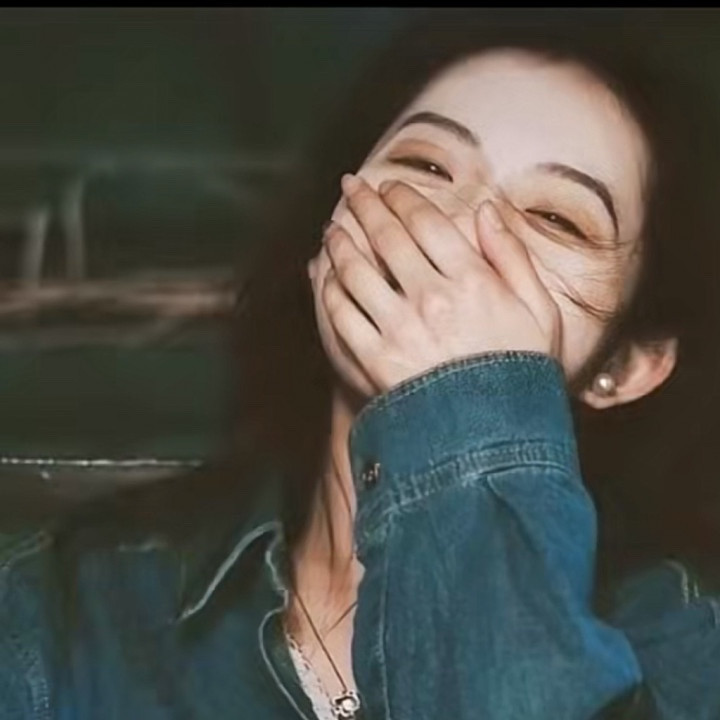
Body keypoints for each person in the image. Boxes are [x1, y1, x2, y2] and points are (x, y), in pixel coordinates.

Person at [2, 8, 720, 719]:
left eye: (555, 218)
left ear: (626, 366)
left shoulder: (689, 646)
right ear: (328, 232)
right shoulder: (65, 615)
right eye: (425, 166)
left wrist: (464, 410)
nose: (456, 227)